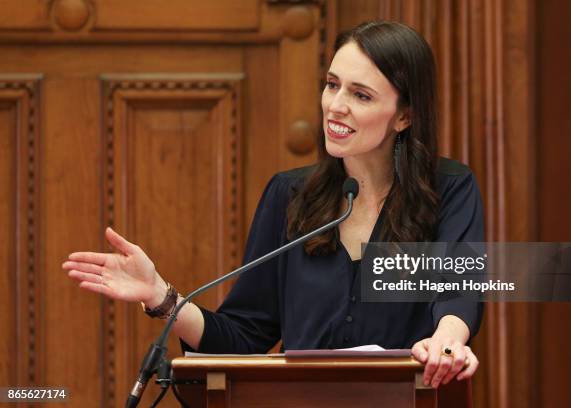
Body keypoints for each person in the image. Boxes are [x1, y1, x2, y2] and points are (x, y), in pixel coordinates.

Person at [63, 21, 483, 389]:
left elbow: (458, 291)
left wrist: (448, 340)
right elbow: (244, 336)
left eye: (361, 95)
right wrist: (162, 297)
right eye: (332, 84)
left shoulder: (448, 189)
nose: (335, 105)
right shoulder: (290, 196)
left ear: (404, 116)